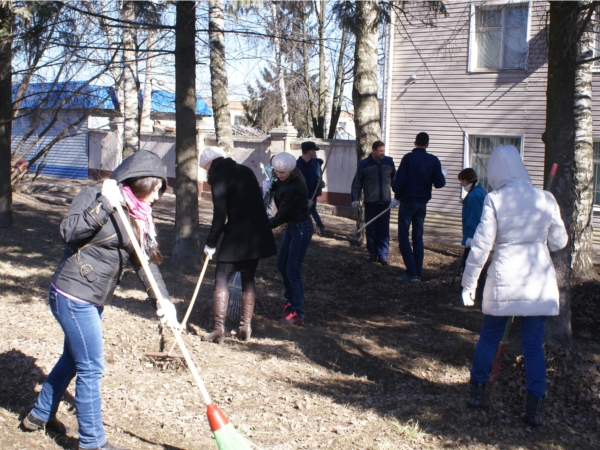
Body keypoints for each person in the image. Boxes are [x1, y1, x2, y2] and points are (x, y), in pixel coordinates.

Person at [21, 151, 178, 450]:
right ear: (140, 182)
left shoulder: (137, 214)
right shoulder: (95, 194)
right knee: (91, 367)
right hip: (72, 294)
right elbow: (69, 232)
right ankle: (92, 443)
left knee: (73, 360)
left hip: (92, 298)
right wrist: (105, 204)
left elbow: (145, 263)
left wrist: (163, 301)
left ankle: (38, 415)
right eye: (155, 189)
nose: (157, 197)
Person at [461, 145, 568, 427]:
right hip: (538, 281)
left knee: (489, 337)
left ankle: (476, 395)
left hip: (504, 282)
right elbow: (559, 242)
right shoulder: (546, 198)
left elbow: (482, 246)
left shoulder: (495, 199)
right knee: (533, 346)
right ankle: (534, 409)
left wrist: (468, 283)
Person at [200, 147, 277, 344]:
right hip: (256, 235)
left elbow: (219, 215)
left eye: (205, 167)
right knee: (248, 278)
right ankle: (246, 326)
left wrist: (210, 244)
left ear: (210, 164)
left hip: (237, 235)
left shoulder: (219, 177)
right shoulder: (246, 170)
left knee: (221, 277)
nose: (206, 171)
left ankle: (218, 329)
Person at [264, 152, 313, 325]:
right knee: (281, 264)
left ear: (290, 170)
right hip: (293, 227)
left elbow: (281, 216)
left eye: (282, 173)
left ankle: (298, 312)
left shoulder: (294, 187)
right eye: (276, 172)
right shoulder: (291, 174)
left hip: (301, 228)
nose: (278, 175)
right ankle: (290, 301)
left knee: (292, 270)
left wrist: (261, 227)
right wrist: (272, 186)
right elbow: (280, 183)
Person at [392, 132, 446, 280]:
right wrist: (442, 175)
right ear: (427, 144)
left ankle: (411, 272)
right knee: (418, 237)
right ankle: (418, 273)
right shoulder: (433, 160)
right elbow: (440, 183)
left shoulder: (408, 158)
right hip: (422, 204)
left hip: (408, 202)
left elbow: (400, 181)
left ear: (414, 143)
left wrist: (396, 196)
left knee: (404, 236)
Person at [350, 140, 397, 265]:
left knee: (383, 230)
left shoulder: (389, 162)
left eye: (384, 151)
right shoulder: (364, 164)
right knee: (371, 229)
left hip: (385, 202)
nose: (383, 153)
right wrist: (355, 198)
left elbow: (395, 180)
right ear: (374, 150)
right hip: (371, 201)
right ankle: (372, 253)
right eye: (380, 151)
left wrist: (398, 196)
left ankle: (382, 255)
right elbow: (357, 182)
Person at [458, 168, 488, 299]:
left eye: (461, 181)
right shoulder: (479, 191)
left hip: (474, 236)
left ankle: (470, 291)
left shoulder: (473, 196)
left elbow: (473, 219)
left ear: (465, 180)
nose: (461, 184)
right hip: (480, 235)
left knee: (471, 264)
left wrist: (470, 238)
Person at [296, 141, 325, 234]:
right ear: (310, 151)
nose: (315, 153)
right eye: (314, 150)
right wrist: (304, 199)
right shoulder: (297, 166)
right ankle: (320, 227)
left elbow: (314, 179)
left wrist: (319, 184)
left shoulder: (312, 165)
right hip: (302, 198)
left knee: (309, 215)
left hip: (312, 195)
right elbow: (297, 185)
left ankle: (311, 230)